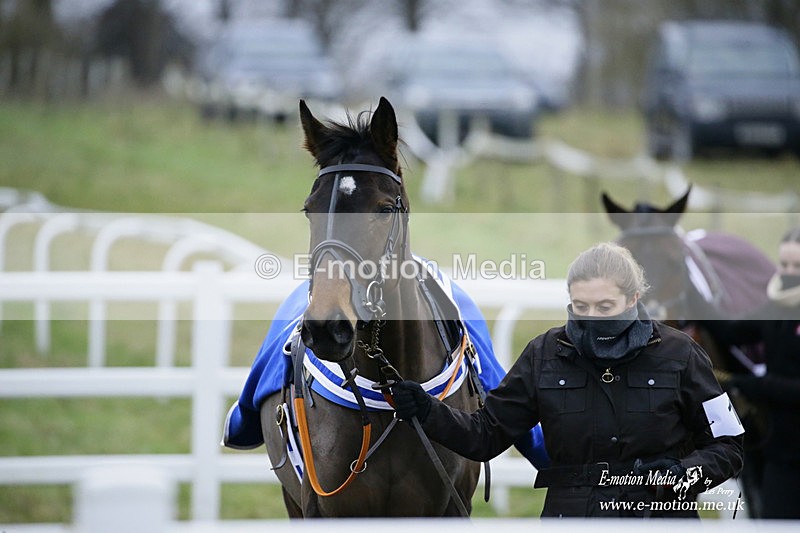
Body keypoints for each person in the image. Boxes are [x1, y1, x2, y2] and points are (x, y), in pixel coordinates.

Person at [392, 242, 744, 518]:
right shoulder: (543, 353)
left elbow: (728, 446)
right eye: (581, 306)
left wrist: (680, 475)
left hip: (657, 516)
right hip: (571, 517)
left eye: (605, 307)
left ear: (634, 299)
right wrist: (426, 410)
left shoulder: (681, 354)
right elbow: (485, 436)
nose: (592, 318)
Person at [705, 227, 800, 519]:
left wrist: (749, 385)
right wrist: (697, 306)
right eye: (784, 264)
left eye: (798, 267)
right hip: (781, 448)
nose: (788, 272)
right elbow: (733, 333)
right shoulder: (776, 307)